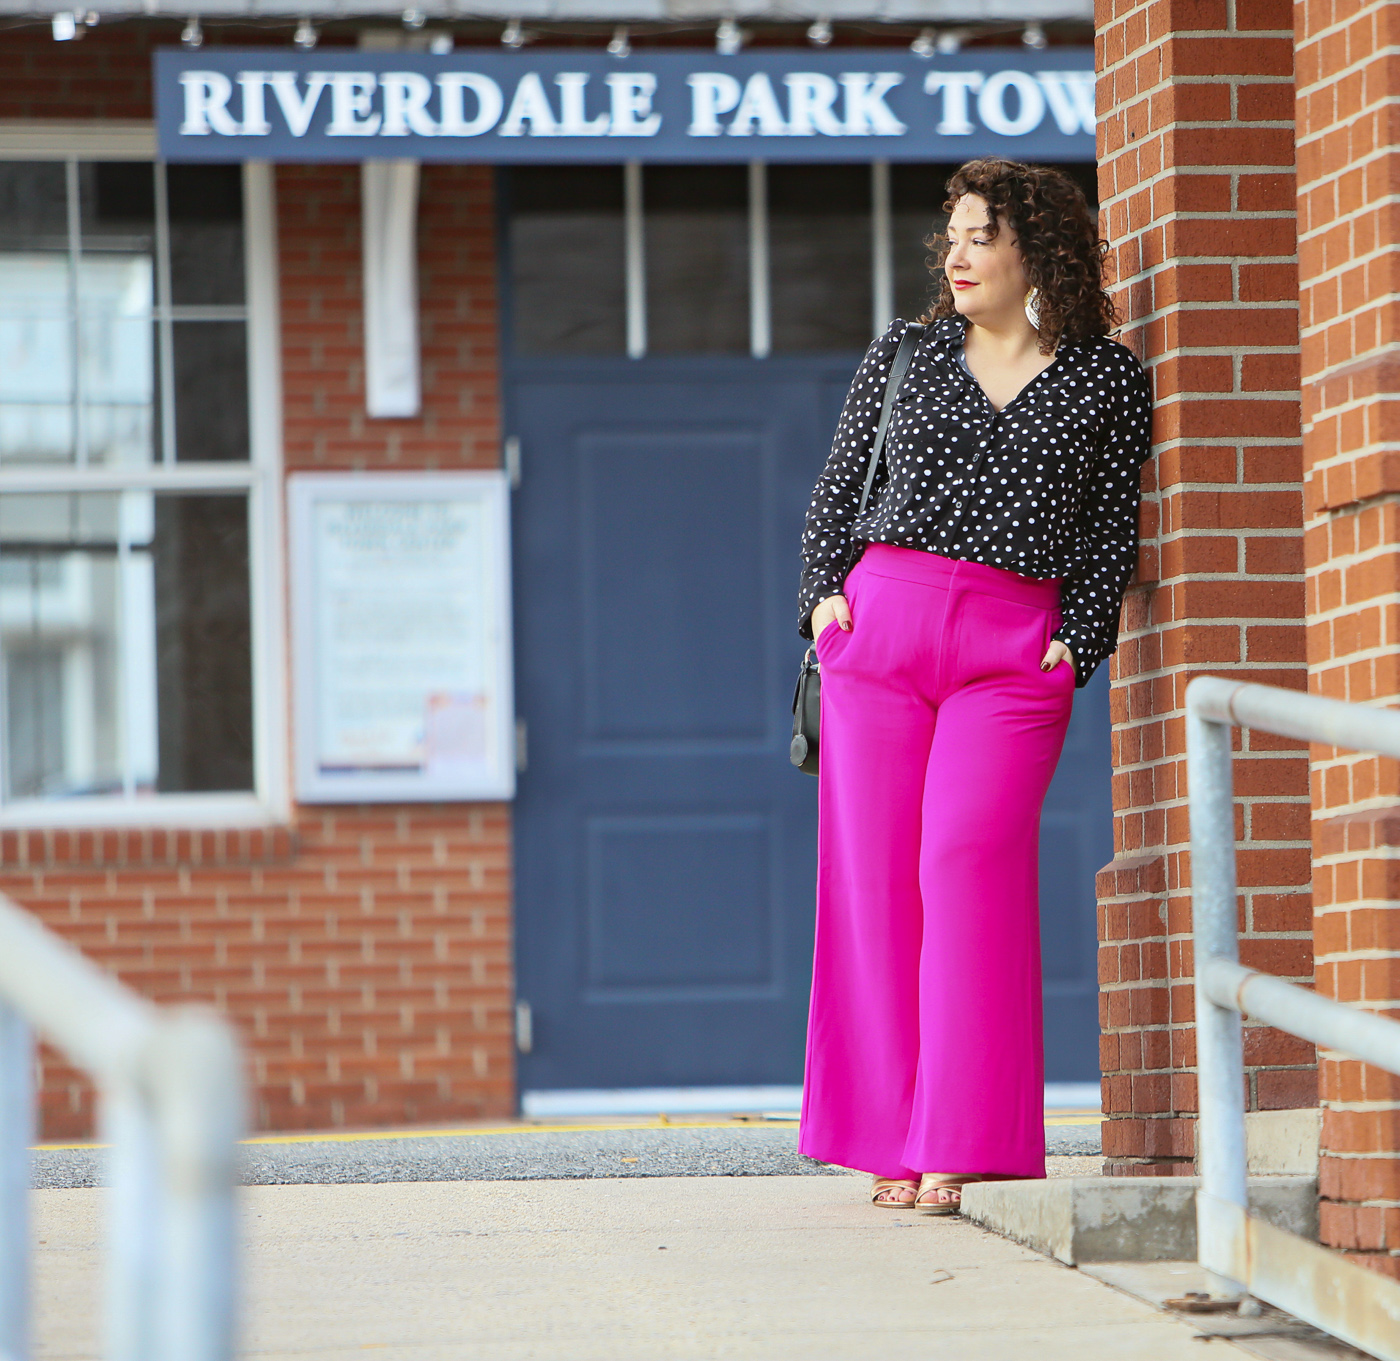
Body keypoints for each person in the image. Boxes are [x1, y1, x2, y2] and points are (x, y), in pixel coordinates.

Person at [796, 158, 1152, 1213]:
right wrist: (824, 603)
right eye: (948, 236)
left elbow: (1105, 534)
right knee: (874, 880)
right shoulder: (903, 355)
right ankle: (886, 1137)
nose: (952, 255)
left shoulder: (1105, 378)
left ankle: (962, 1134)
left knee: (963, 861)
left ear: (1034, 252)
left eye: (977, 236)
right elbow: (832, 492)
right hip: (882, 632)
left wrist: (1074, 644)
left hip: (1011, 649)